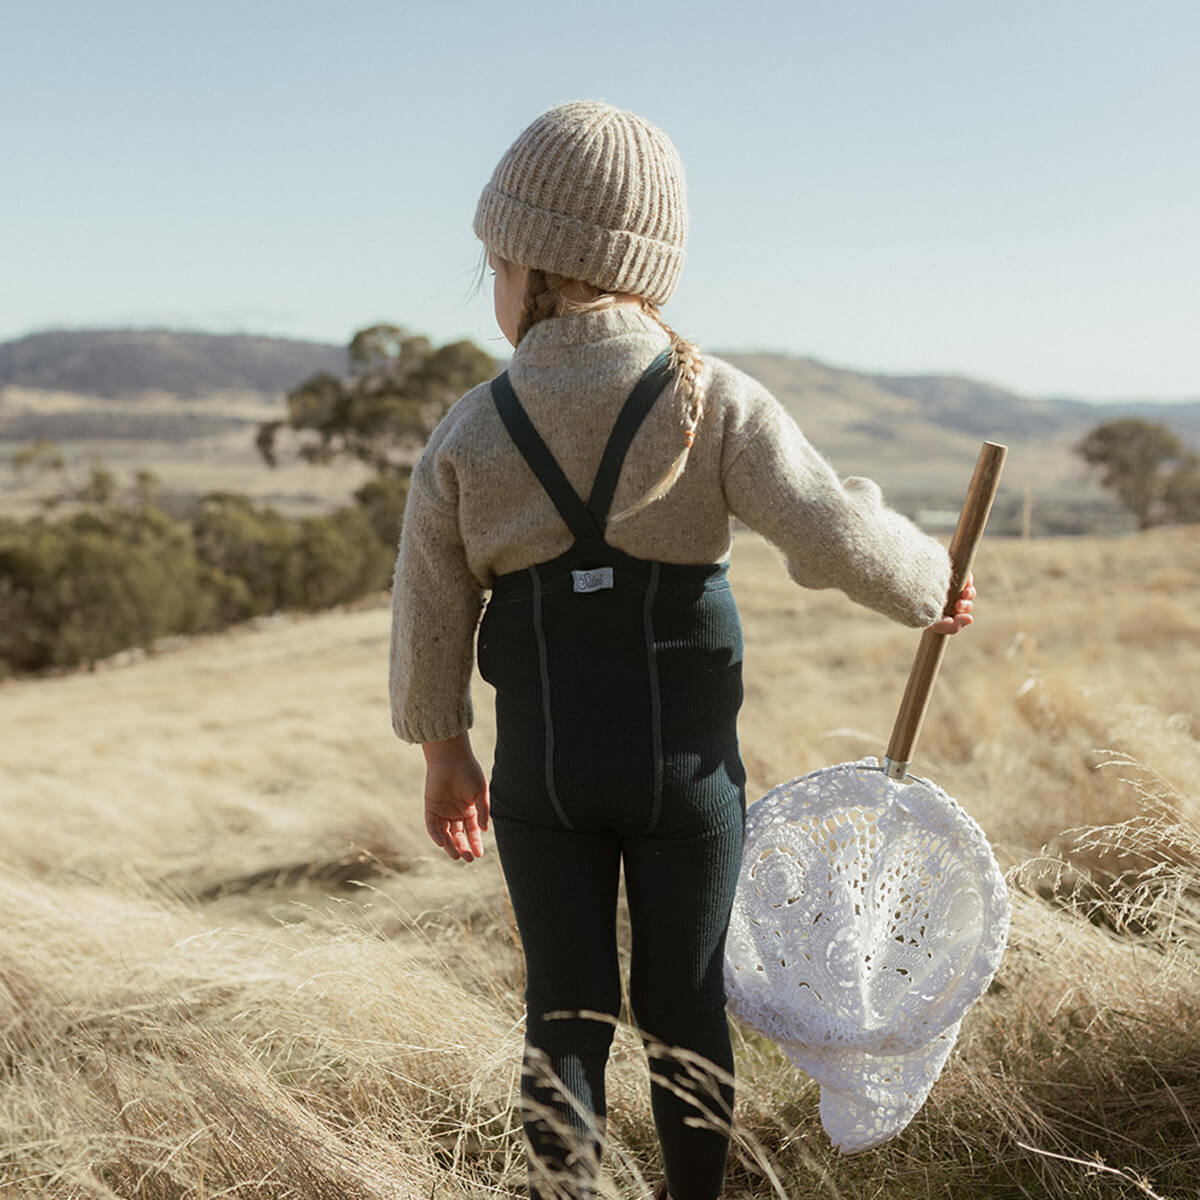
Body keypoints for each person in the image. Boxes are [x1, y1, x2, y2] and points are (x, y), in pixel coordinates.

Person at [389, 101, 975, 1200]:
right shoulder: (717, 403)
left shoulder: (470, 431)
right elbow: (834, 531)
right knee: (684, 1002)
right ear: (650, 269)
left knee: (563, 1006)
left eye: (494, 267)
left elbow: (429, 611)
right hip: (687, 785)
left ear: (526, 266)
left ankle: (566, 1191)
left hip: (543, 781)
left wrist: (443, 753)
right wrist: (931, 585)